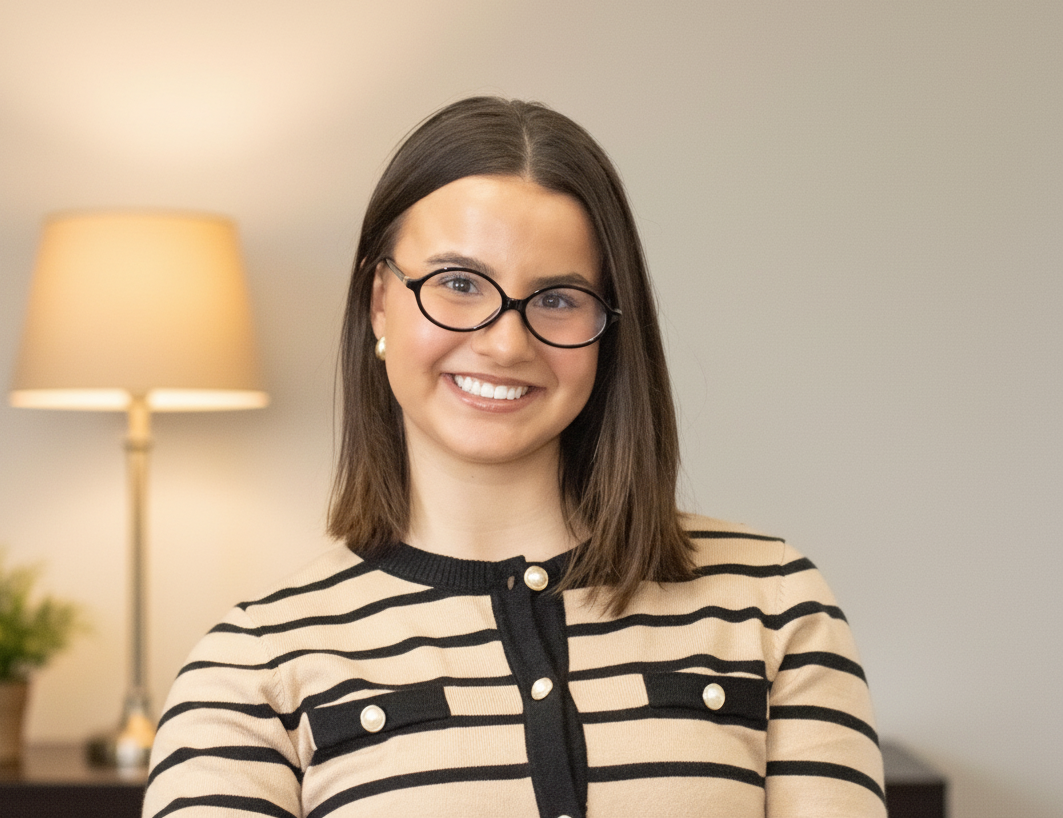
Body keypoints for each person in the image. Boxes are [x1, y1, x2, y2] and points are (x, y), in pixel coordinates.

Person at [142, 97, 886, 818]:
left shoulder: (776, 606)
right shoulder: (250, 670)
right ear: (378, 302)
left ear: (608, 330)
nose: (506, 342)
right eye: (458, 284)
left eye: (558, 298)